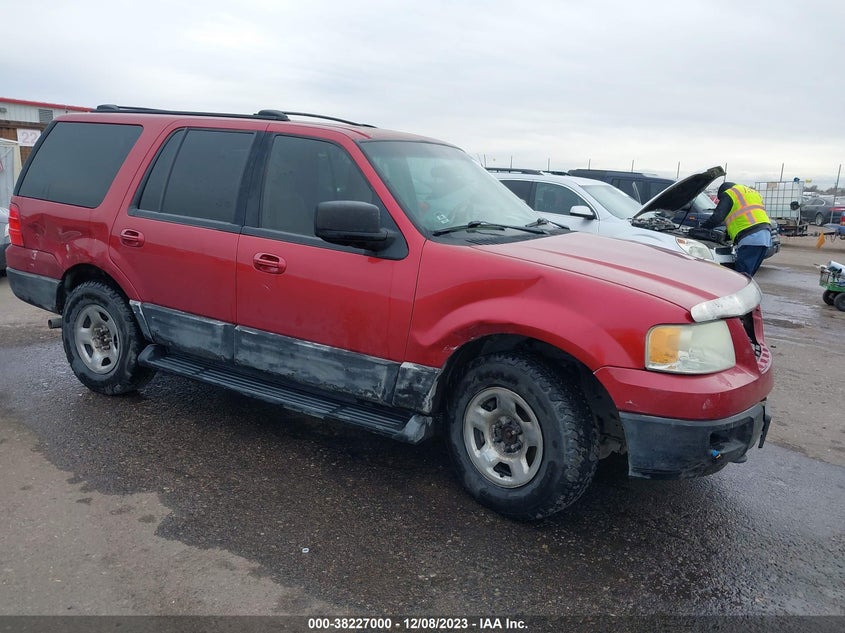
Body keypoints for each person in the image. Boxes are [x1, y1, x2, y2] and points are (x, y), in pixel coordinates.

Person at [701, 181, 773, 277]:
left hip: (750, 238)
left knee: (741, 277)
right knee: (748, 275)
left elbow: (717, 217)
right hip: (765, 236)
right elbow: (742, 219)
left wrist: (701, 229)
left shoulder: (730, 193)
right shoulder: (752, 193)